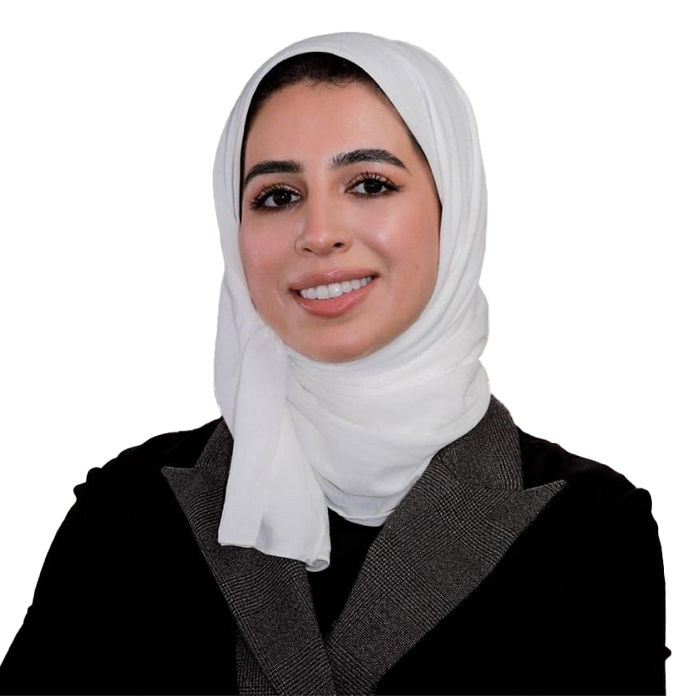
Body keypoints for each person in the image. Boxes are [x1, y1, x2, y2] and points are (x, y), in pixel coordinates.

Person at [0, 32, 669, 696]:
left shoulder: (591, 530)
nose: (319, 234)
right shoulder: (131, 509)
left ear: (454, 207)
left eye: (370, 184)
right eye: (277, 196)